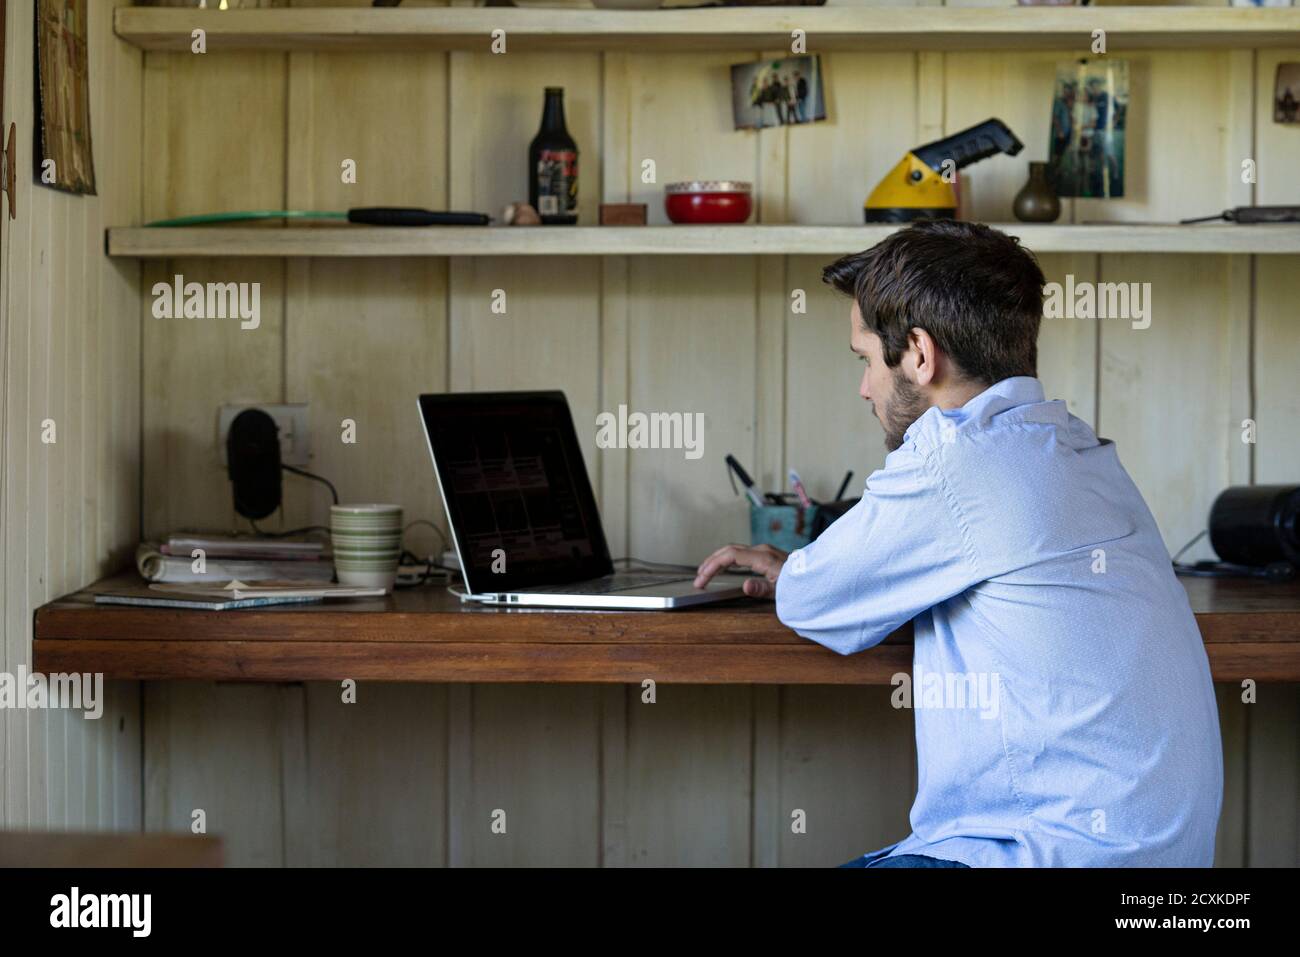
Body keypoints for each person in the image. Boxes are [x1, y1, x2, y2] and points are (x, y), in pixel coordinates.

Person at [694, 221, 1223, 868]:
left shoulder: (958, 456)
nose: (865, 387)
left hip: (1041, 856)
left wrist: (794, 571)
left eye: (866, 359)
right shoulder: (1077, 446)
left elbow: (813, 602)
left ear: (919, 352)